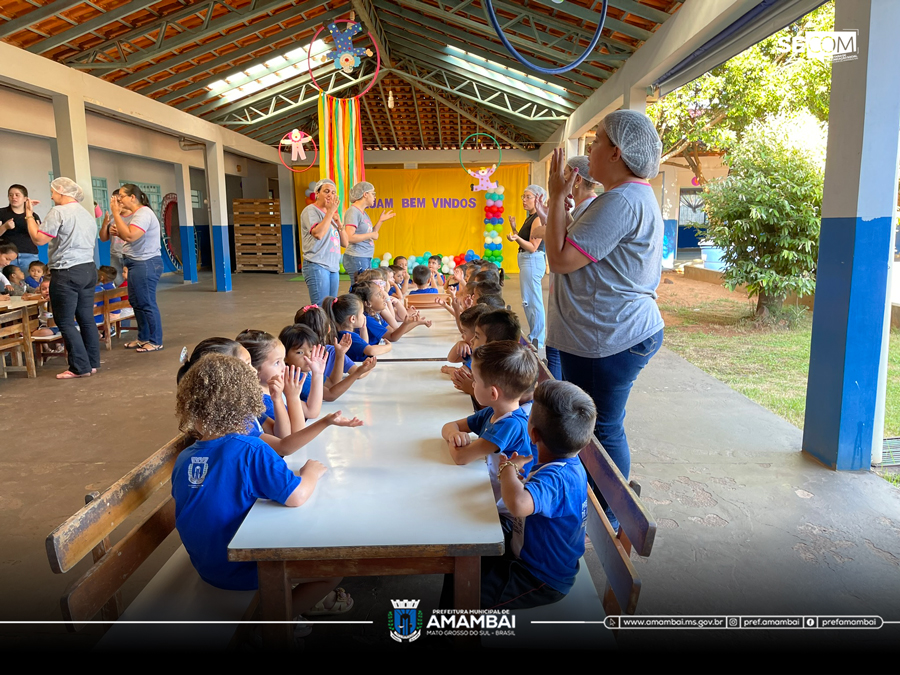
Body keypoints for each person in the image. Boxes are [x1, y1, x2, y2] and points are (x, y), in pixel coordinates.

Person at [541, 109, 665, 530]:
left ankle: (612, 518)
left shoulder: (622, 201)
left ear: (616, 152)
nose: (588, 150)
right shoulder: (624, 197)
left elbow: (558, 258)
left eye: (594, 142)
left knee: (601, 429)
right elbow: (562, 247)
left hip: (611, 337)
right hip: (603, 334)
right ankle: (603, 507)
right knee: (598, 427)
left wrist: (557, 197)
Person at [171, 353, 353, 634]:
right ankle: (273, 620)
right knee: (334, 570)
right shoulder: (249, 449)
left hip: (208, 566)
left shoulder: (185, 457)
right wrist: (311, 473)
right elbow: (296, 496)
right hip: (242, 569)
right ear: (247, 400)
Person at [481, 379, 597, 610]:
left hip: (539, 577)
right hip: (528, 548)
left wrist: (507, 470)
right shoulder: (565, 463)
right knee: (468, 557)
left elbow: (518, 504)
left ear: (532, 434)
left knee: (465, 592)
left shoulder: (556, 479)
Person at [440, 341, 538, 512]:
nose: (472, 384)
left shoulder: (510, 425)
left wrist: (454, 440)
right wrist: (454, 435)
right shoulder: (493, 411)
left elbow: (461, 457)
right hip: (484, 490)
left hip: (499, 510)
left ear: (493, 393)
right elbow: (449, 426)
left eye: (475, 381)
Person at [530, 156, 598, 380]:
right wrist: (548, 217)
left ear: (576, 179)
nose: (562, 178)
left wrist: (551, 218)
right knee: (555, 354)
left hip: (576, 311)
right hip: (564, 304)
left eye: (566, 172)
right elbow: (558, 234)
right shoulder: (577, 210)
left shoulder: (591, 211)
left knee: (562, 365)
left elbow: (548, 241)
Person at [25, 177, 101, 379]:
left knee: (65, 320)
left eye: (52, 191)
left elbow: (39, 239)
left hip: (66, 271)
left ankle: (79, 367)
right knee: (86, 318)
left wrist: (28, 216)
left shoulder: (58, 212)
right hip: (88, 269)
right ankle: (92, 363)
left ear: (61, 191)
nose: (51, 196)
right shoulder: (86, 214)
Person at [110, 184, 164, 353]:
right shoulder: (135, 215)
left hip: (146, 263)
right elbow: (127, 234)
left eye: (121, 196)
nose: (118, 199)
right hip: (134, 262)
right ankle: (143, 338)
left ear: (133, 197)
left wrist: (116, 215)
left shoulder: (144, 213)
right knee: (136, 302)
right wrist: (118, 229)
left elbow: (130, 236)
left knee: (147, 302)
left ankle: (156, 341)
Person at [279, 324, 376, 402]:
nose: (308, 356)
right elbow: (331, 395)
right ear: (284, 356)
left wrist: (340, 354)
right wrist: (356, 373)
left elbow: (332, 383)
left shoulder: (307, 371)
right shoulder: (296, 377)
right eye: (299, 352)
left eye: (311, 351)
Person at [507, 185, 547, 351]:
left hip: (532, 259)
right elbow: (523, 239)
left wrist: (516, 238)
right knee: (528, 301)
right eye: (523, 196)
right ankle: (534, 336)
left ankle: (537, 339)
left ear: (538, 199)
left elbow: (532, 246)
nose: (524, 200)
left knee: (533, 301)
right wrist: (514, 228)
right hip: (527, 260)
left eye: (528, 197)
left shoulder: (538, 218)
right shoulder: (530, 217)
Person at [301, 179, 348, 306]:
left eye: (333, 192)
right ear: (317, 193)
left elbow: (345, 243)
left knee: (331, 306)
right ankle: (319, 326)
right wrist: (330, 212)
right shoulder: (310, 210)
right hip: (317, 264)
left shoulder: (332, 215)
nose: (330, 195)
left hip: (333, 266)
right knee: (321, 307)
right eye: (326, 191)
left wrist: (339, 225)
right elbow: (318, 234)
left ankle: (329, 327)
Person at [342, 181, 395, 281]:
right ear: (365, 194)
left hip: (364, 256)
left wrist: (380, 221)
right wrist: (371, 234)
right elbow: (349, 236)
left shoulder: (363, 213)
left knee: (364, 288)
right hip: (356, 256)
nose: (375, 197)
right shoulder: (353, 211)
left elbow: (371, 234)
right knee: (361, 288)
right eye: (373, 194)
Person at [323, 294, 392, 361]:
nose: (364, 316)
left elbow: (364, 344)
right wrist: (388, 346)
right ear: (353, 319)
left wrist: (363, 329)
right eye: (362, 313)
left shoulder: (340, 333)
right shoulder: (349, 336)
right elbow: (371, 351)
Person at [0, 184, 42, 270]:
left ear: (25, 198)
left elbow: (38, 236)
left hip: (29, 255)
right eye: (10, 195)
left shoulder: (33, 215)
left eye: (17, 195)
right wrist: (5, 227)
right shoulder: (1, 213)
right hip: (6, 256)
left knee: (30, 282)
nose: (13, 197)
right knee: (6, 282)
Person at [98, 188, 129, 286]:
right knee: (118, 283)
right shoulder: (111, 218)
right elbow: (103, 238)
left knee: (131, 283)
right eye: (113, 201)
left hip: (129, 255)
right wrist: (104, 225)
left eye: (118, 201)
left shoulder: (133, 217)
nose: (116, 204)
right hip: (115, 255)